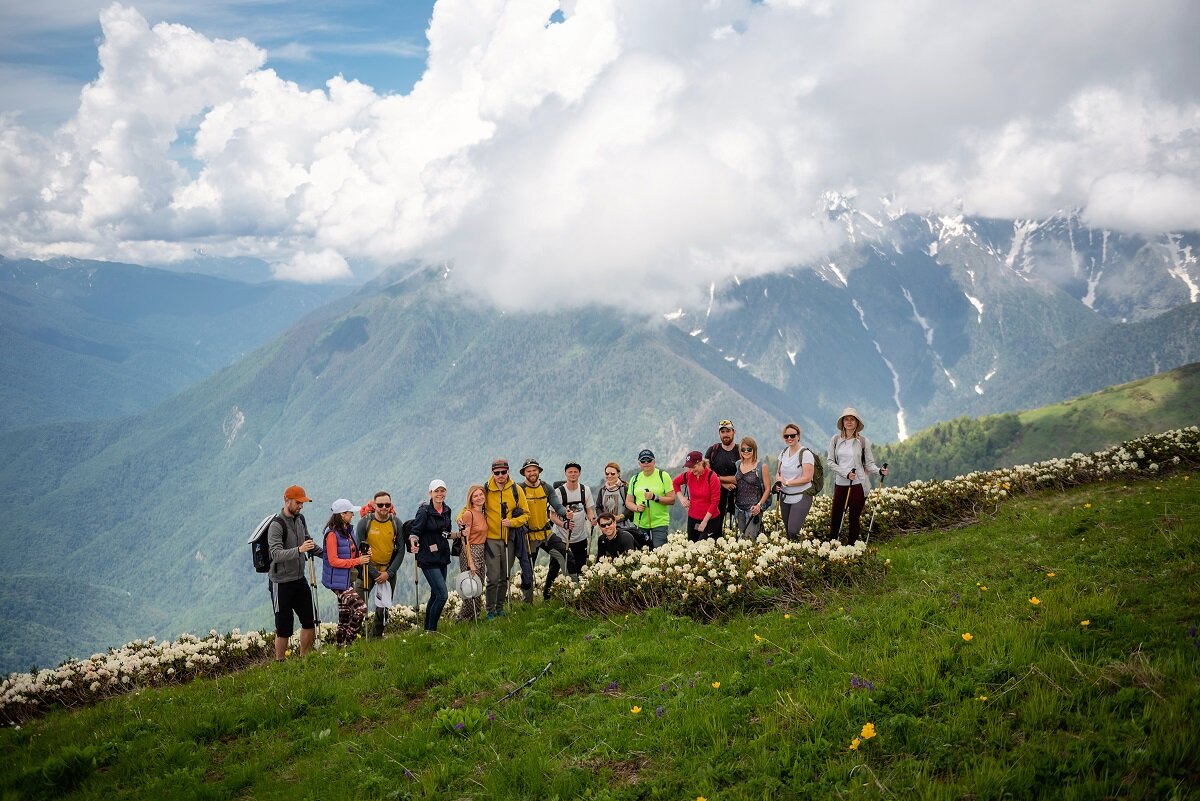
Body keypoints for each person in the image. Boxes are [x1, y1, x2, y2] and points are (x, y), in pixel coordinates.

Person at [267, 485, 318, 661]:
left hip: (298, 578)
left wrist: (327, 555)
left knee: (309, 621)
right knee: (283, 628)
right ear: (286, 500)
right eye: (298, 503)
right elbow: (275, 554)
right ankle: (280, 663)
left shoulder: (300, 519)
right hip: (280, 582)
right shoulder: (276, 525)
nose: (301, 506)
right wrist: (299, 549)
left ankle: (305, 659)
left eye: (302, 503)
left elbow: (308, 542)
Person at [827, 408, 887, 545]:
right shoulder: (835, 440)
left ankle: (852, 549)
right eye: (846, 419)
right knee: (836, 518)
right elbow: (830, 462)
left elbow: (869, 464)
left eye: (852, 419)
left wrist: (879, 471)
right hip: (841, 484)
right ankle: (832, 547)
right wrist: (846, 473)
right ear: (842, 422)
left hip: (858, 485)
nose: (849, 422)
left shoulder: (863, 442)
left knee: (854, 518)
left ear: (856, 423)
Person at [354, 490, 407, 637]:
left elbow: (401, 550)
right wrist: (376, 573)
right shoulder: (365, 523)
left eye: (387, 504)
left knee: (383, 608)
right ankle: (353, 639)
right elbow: (360, 550)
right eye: (380, 505)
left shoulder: (396, 523)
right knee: (357, 606)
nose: (384, 507)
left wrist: (388, 573)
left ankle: (375, 639)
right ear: (374, 505)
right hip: (366, 570)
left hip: (388, 570)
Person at [482, 458, 530, 619]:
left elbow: (526, 514)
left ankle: (499, 608)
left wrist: (512, 522)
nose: (500, 475)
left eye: (503, 472)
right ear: (493, 473)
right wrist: (461, 518)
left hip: (509, 539)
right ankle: (490, 610)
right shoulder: (486, 490)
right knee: (493, 577)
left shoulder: (516, 490)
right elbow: (471, 505)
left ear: (508, 471)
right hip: (491, 540)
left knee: (504, 576)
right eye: (497, 473)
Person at [321, 498, 370, 647]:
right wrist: (357, 561)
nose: (353, 515)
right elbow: (333, 561)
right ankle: (349, 643)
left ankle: (340, 648)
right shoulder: (332, 535)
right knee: (361, 608)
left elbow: (351, 553)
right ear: (342, 514)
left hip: (346, 578)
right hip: (337, 581)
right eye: (350, 512)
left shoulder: (348, 530)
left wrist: (363, 555)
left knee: (345, 615)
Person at [518, 458, 568, 602]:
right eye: (529, 471)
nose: (532, 473)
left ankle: (573, 593)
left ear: (538, 471)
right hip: (528, 537)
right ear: (524, 473)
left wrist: (565, 513)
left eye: (534, 470)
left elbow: (557, 505)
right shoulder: (520, 490)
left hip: (546, 534)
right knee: (527, 571)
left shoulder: (546, 488)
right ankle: (527, 604)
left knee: (566, 555)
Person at [408, 480, 453, 632]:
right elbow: (415, 531)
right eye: (436, 491)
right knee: (442, 595)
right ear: (430, 493)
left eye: (442, 491)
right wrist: (413, 542)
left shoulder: (447, 510)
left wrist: (459, 534)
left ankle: (427, 629)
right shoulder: (424, 511)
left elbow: (445, 533)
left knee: (435, 595)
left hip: (442, 557)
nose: (440, 494)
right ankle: (431, 631)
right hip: (428, 558)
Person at [548, 462, 596, 590]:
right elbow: (552, 516)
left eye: (575, 471)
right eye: (570, 472)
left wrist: (592, 519)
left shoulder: (585, 490)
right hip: (561, 537)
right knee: (555, 566)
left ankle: (579, 592)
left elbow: (589, 509)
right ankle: (547, 594)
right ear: (565, 473)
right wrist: (564, 524)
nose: (573, 474)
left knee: (581, 566)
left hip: (580, 536)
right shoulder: (558, 492)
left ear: (579, 473)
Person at [626, 449, 675, 548]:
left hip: (660, 522)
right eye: (643, 461)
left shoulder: (663, 476)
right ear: (639, 463)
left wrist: (655, 497)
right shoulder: (634, 479)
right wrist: (636, 508)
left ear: (654, 461)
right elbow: (628, 502)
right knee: (642, 554)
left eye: (649, 460)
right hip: (640, 523)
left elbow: (672, 500)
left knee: (659, 553)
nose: (646, 463)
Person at [454, 485, 488, 622]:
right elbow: (464, 539)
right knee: (470, 587)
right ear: (471, 499)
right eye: (475, 496)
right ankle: (464, 619)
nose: (479, 498)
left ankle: (475, 616)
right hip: (470, 551)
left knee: (478, 587)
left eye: (481, 495)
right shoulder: (469, 514)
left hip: (481, 551)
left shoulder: (483, 513)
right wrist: (470, 562)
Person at [777, 422, 817, 539]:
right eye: (786, 436)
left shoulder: (806, 454)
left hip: (801, 496)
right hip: (785, 496)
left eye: (792, 435)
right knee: (788, 531)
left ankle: (800, 550)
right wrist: (779, 481)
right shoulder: (783, 453)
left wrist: (787, 482)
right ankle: (793, 555)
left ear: (798, 436)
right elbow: (778, 472)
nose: (789, 438)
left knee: (793, 530)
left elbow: (807, 478)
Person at [673, 450, 721, 542]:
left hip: (711, 519)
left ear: (700, 463)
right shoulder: (688, 475)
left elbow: (715, 502)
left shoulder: (712, 477)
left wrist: (704, 522)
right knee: (692, 547)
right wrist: (682, 498)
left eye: (693, 467)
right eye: (689, 467)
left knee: (704, 547)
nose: (691, 470)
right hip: (693, 518)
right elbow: (675, 483)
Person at [705, 419, 741, 536]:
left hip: (737, 497)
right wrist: (724, 483)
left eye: (728, 431)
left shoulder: (740, 451)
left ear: (734, 432)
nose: (725, 434)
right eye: (723, 432)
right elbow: (706, 474)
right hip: (715, 497)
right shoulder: (712, 451)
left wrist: (717, 479)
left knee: (738, 531)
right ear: (719, 434)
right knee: (715, 530)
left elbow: (740, 477)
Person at [733, 437, 773, 539]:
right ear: (740, 451)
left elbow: (768, 488)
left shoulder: (761, 466)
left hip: (753, 509)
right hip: (739, 508)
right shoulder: (738, 464)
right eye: (743, 449)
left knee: (749, 538)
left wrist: (759, 505)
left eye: (749, 449)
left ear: (754, 450)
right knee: (743, 538)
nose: (746, 451)